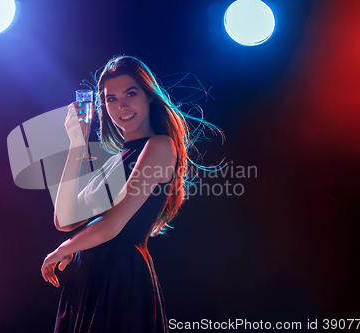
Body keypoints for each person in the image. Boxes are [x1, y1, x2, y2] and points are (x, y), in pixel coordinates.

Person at [41, 55, 223, 333]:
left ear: (149, 96)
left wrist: (64, 249)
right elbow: (64, 219)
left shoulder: (160, 146)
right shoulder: (115, 161)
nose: (121, 105)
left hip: (120, 277)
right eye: (110, 99)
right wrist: (77, 144)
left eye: (130, 93)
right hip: (88, 277)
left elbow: (114, 224)